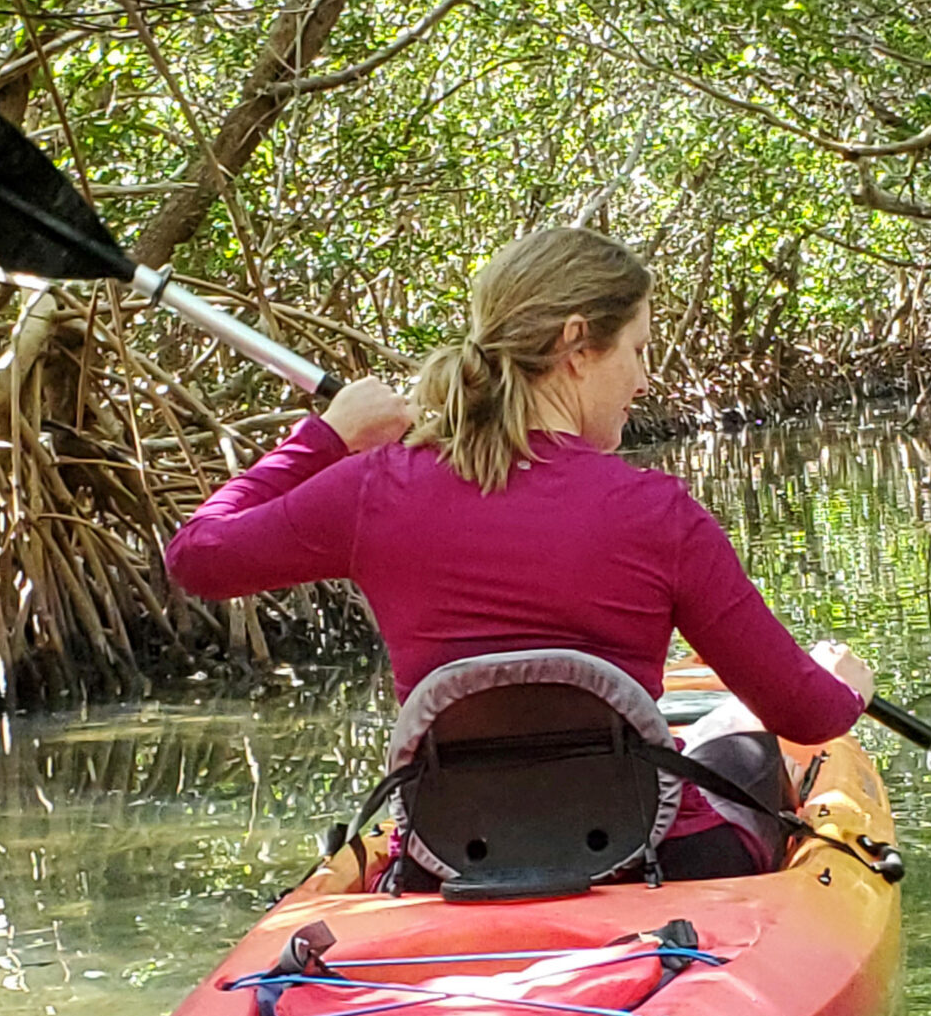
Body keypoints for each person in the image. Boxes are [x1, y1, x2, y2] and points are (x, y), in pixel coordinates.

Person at [165, 227, 874, 877]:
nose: (645, 380)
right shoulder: (658, 510)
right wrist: (844, 684)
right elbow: (807, 716)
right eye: (638, 350)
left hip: (445, 871)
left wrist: (326, 439)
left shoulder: (375, 489)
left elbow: (196, 556)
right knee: (746, 750)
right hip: (660, 863)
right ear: (577, 346)